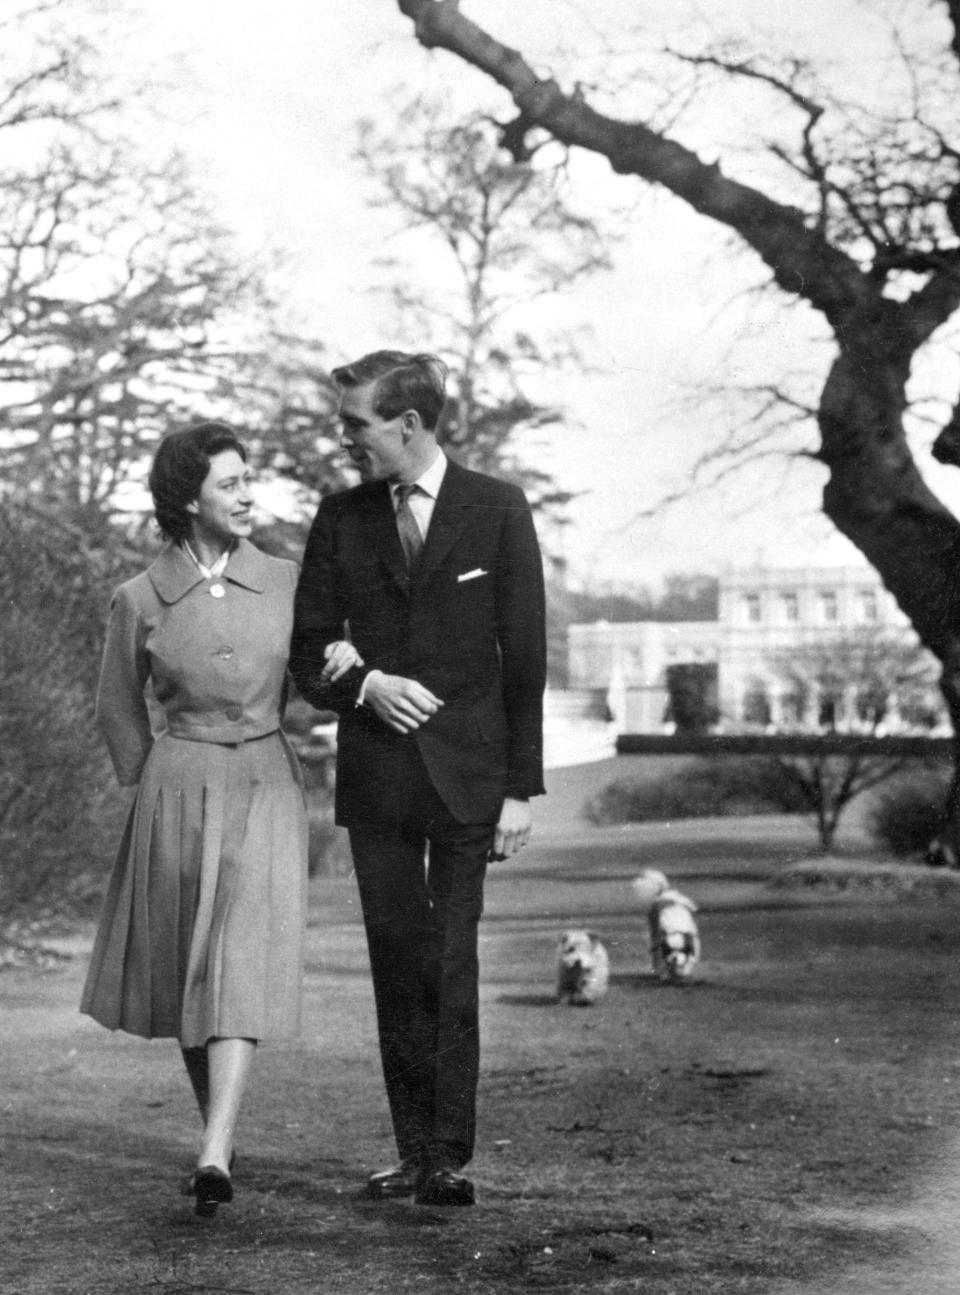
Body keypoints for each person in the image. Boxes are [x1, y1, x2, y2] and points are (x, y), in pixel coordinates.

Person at [80, 422, 359, 1216]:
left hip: (268, 783)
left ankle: (212, 1148)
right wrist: (146, 782)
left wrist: (341, 666)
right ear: (186, 498)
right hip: (177, 787)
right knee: (188, 968)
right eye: (229, 483)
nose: (247, 494)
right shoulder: (138, 597)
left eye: (248, 478)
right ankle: (219, 1136)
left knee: (237, 959)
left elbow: (314, 671)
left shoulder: (287, 579)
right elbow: (114, 702)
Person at [290, 351, 546, 1207]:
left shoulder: (498, 510)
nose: (345, 438)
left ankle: (449, 1155)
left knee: (453, 959)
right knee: (397, 961)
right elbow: (307, 650)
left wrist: (521, 788)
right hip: (378, 781)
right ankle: (413, 1151)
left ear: (408, 423)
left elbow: (527, 656)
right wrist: (365, 683)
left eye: (355, 424)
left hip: (471, 779)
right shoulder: (341, 516)